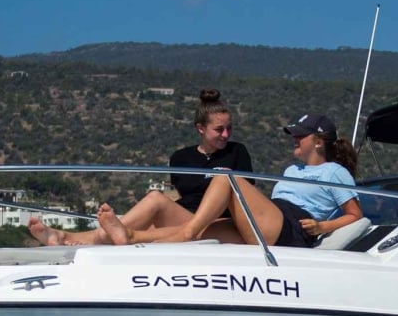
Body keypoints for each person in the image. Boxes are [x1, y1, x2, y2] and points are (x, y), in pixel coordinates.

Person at [99, 112, 362, 248]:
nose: (294, 138)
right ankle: (130, 236)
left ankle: (185, 234)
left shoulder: (334, 172)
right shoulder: (292, 170)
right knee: (204, 230)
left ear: (318, 142)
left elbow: (356, 215)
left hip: (293, 229)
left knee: (225, 178)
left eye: (300, 136)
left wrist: (323, 226)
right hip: (274, 218)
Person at [28, 88, 251, 246]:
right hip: (186, 218)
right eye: (219, 129)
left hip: (218, 223)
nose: (226, 135)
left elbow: (245, 196)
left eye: (229, 129)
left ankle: (65, 237)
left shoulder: (237, 152)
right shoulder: (180, 158)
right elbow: (185, 196)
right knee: (155, 198)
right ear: (200, 128)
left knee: (141, 220)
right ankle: (65, 236)